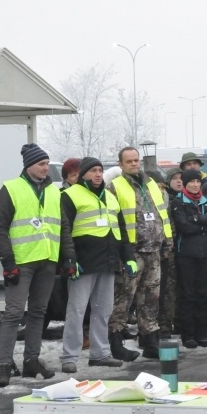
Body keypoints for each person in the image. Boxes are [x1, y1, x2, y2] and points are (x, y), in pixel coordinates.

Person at [0, 143, 74, 387]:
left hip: (47, 261)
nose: (46, 168)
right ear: (29, 166)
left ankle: (31, 360)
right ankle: (4, 364)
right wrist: (8, 262)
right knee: (13, 314)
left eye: (48, 164)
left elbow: (63, 227)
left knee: (38, 312)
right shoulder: (11, 189)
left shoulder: (54, 192)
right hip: (21, 261)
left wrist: (68, 258)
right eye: (42, 164)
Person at [60, 157, 133, 373]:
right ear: (83, 174)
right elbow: (64, 232)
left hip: (108, 261)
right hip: (83, 263)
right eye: (93, 170)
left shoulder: (110, 198)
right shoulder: (70, 195)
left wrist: (127, 256)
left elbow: (122, 230)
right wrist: (69, 260)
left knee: (103, 310)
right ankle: (69, 356)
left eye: (100, 170)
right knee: (77, 310)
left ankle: (99, 353)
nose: (98, 174)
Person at [107, 147, 173, 360]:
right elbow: (114, 221)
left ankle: (150, 340)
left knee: (151, 298)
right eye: (129, 161)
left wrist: (167, 241)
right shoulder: (114, 187)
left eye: (136, 160)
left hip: (154, 250)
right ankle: (116, 340)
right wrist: (121, 251)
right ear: (121, 164)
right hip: (132, 252)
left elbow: (162, 214)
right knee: (124, 298)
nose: (134, 164)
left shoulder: (151, 184)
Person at [170, 169, 207, 348]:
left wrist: (197, 219)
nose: (195, 184)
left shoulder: (206, 200)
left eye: (197, 181)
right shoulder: (177, 202)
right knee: (187, 295)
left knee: (204, 294)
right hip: (186, 254)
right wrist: (203, 222)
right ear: (185, 183)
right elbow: (184, 226)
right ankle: (188, 335)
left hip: (206, 253)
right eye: (191, 181)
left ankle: (202, 334)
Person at [158, 167, 182, 339]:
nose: (179, 181)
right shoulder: (164, 200)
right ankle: (164, 325)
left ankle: (178, 321)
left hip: (184, 249)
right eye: (175, 178)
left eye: (181, 178)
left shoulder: (184, 200)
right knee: (167, 289)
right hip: (167, 250)